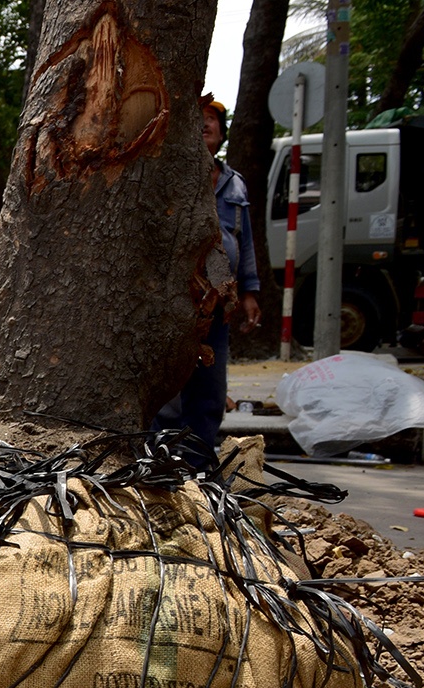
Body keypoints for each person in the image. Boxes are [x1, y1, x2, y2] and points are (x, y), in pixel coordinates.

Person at [161, 95, 261, 460]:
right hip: (177, 299)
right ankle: (164, 461)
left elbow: (243, 241)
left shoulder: (235, 184)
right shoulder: (171, 176)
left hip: (219, 303)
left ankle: (199, 463)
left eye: (212, 119)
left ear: (221, 132)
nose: (205, 124)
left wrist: (249, 291)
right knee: (170, 386)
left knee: (210, 388)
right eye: (198, 118)